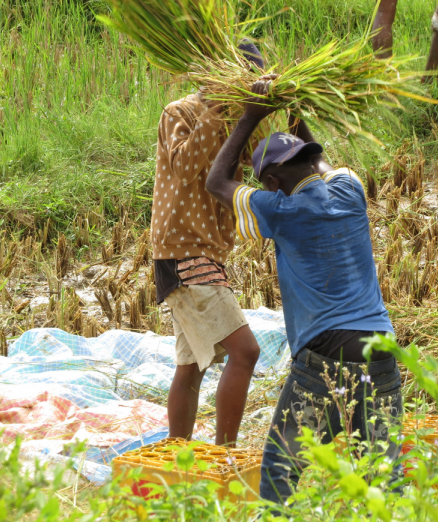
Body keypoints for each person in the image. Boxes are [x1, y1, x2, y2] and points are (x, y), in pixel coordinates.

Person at [206, 79, 403, 504]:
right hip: (382, 347)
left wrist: (252, 115)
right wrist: (296, 108)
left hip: (326, 355)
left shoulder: (279, 209)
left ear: (272, 181)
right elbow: (322, 161)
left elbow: (216, 182)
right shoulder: (349, 190)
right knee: (383, 473)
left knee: (282, 469)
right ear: (313, 163)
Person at [151, 42, 265, 447]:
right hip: (183, 250)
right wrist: (217, 108)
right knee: (246, 351)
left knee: (191, 366)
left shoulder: (237, 119)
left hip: (205, 250)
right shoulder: (179, 113)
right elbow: (183, 170)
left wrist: (264, 113)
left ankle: (176, 451)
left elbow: (259, 162)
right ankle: (226, 452)